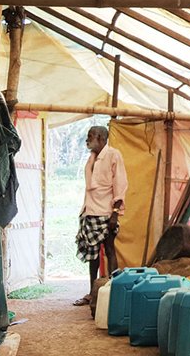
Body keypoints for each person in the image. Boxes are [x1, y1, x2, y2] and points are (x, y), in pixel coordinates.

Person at [73, 125, 127, 306]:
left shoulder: (113, 155)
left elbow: (120, 185)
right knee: (93, 255)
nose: (87, 139)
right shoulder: (91, 158)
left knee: (110, 250)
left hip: (106, 212)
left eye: (91, 136)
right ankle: (93, 294)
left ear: (102, 138)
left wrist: (114, 214)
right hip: (90, 212)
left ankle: (114, 291)